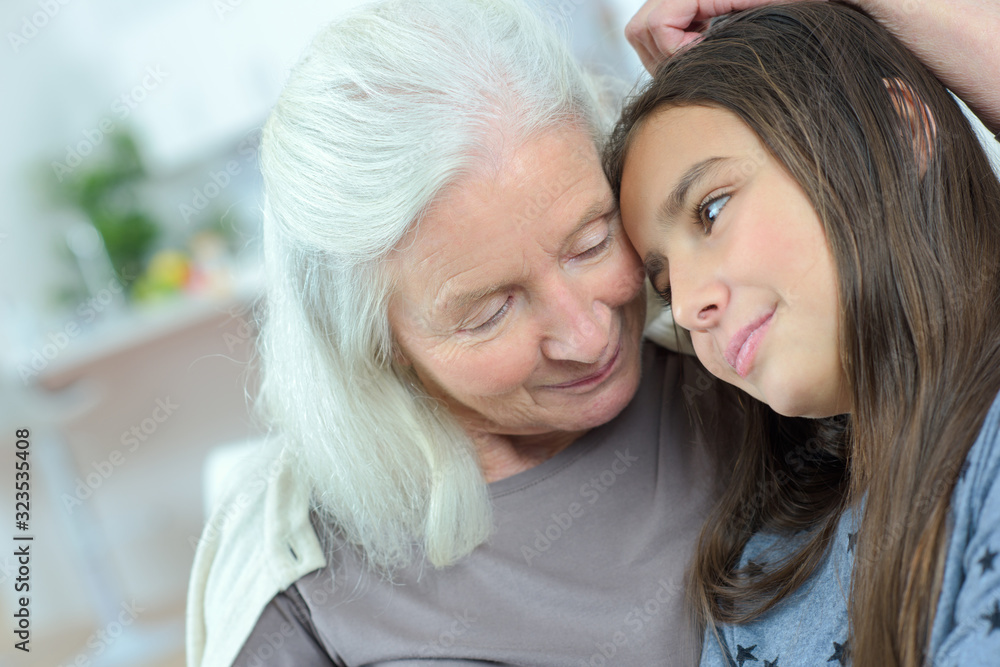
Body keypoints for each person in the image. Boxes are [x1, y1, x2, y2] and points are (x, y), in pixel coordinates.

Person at [185, 1, 740, 665]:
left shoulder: (744, 362)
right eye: (489, 312)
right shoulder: (297, 578)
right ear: (373, 343)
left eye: (590, 243)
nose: (588, 336)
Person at [605, 2, 1000, 665]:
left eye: (713, 208)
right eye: (665, 285)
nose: (692, 304)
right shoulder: (756, 576)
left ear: (903, 133)